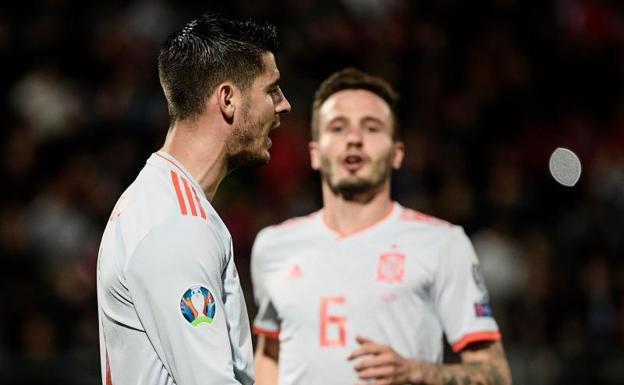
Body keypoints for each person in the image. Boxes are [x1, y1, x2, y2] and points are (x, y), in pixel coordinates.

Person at [251, 68, 511, 385]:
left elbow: (496, 374)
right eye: (337, 127)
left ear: (396, 154)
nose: (354, 139)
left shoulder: (443, 244)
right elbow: (268, 355)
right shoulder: (273, 246)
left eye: (371, 128)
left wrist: (418, 371)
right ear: (315, 154)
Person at [96, 13, 291, 385]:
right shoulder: (177, 225)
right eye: (272, 90)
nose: (283, 105)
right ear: (228, 99)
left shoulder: (158, 199)